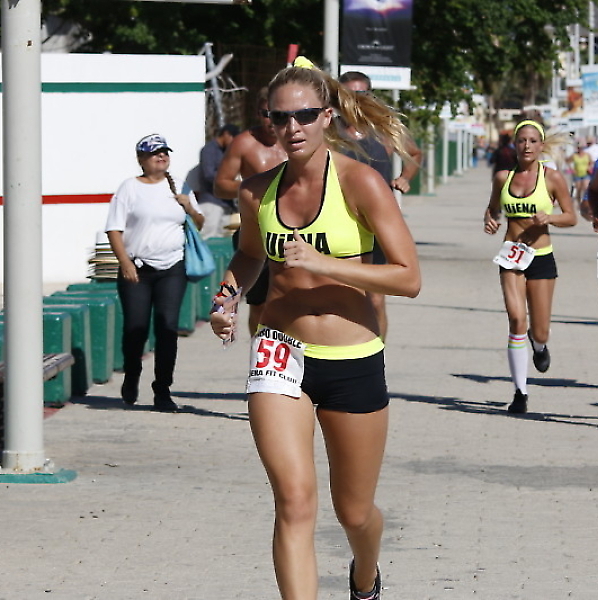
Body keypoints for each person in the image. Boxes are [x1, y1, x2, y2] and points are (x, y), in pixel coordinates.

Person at [210, 58, 420, 600]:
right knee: (294, 502)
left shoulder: (361, 182)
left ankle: (365, 573)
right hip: (279, 352)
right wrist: (228, 297)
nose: (293, 127)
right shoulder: (256, 191)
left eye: (304, 115)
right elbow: (249, 256)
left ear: (327, 115)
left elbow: (409, 278)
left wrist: (327, 264)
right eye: (280, 117)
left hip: (351, 359)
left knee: (354, 512)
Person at [105, 133, 205, 412]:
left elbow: (200, 222)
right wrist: (124, 262)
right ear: (141, 159)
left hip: (173, 267)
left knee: (167, 327)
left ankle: (162, 390)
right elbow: (114, 229)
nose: (161, 156)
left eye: (165, 152)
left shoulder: (180, 186)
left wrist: (188, 207)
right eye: (154, 153)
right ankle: (132, 373)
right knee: (135, 328)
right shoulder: (129, 188)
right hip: (137, 269)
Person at [483, 120, 576, 414]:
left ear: (541, 145)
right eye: (522, 140)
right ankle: (520, 392)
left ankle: (539, 346)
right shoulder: (502, 177)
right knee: (516, 320)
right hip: (511, 256)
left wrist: (550, 218)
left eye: (533, 141)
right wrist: (490, 220)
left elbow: (571, 217)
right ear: (514, 144)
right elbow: (493, 208)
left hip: (541, 256)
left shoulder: (552, 178)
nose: (527, 146)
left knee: (540, 330)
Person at [337, 71, 421, 340]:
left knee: (374, 299)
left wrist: (405, 178)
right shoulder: (329, 130)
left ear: (370, 96)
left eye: (361, 93)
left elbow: (415, 153)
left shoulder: (382, 129)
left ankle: (377, 355)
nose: (355, 99)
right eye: (349, 94)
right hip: (338, 221)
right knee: (339, 297)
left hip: (375, 224)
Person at [214, 88, 288, 334]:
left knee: (291, 299)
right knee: (259, 304)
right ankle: (259, 349)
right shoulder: (244, 143)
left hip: (294, 231)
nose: (271, 121)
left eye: (278, 114)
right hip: (257, 229)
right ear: (258, 114)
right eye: (267, 114)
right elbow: (220, 185)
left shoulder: (296, 142)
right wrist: (255, 187)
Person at [197, 123, 240, 239]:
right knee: (208, 237)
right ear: (226, 134)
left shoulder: (227, 152)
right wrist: (227, 181)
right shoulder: (209, 150)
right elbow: (208, 174)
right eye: (233, 139)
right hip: (211, 203)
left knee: (223, 239)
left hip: (225, 204)